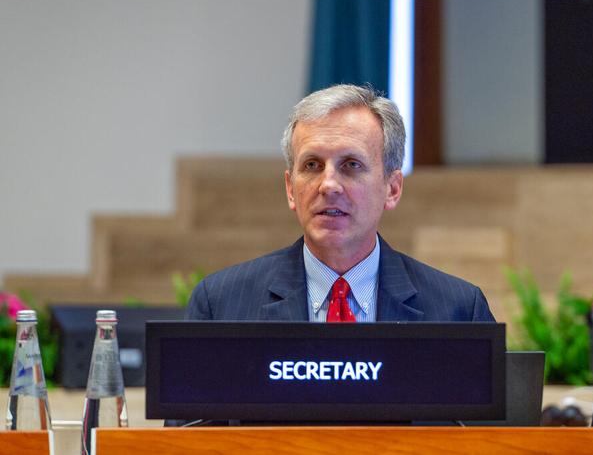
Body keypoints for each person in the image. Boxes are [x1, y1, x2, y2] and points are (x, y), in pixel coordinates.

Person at [186, 84, 495, 322]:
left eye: (351, 165)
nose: (329, 185)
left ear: (392, 188)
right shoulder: (222, 304)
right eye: (311, 166)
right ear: (290, 189)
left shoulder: (458, 310)